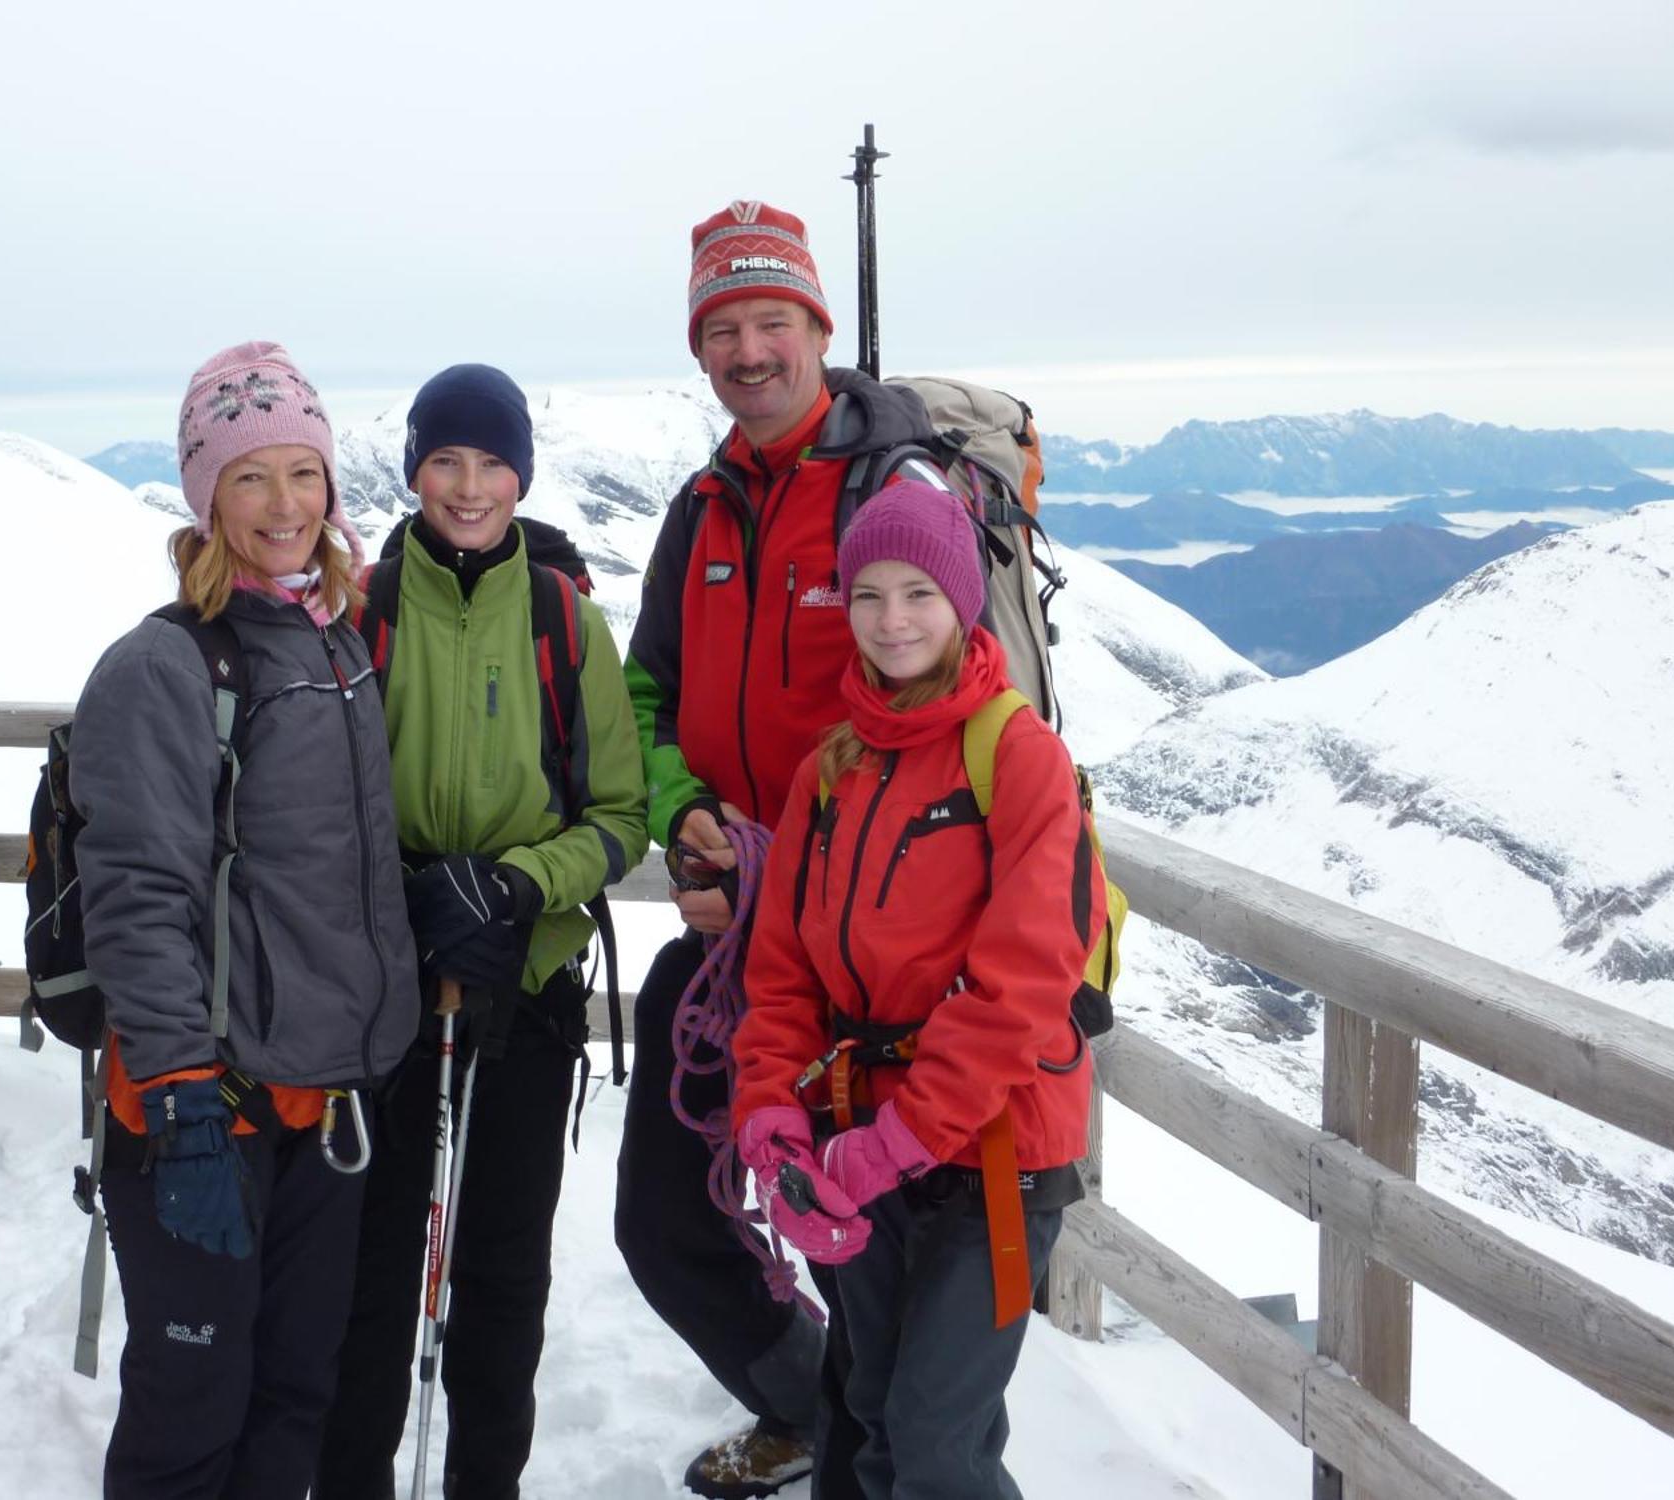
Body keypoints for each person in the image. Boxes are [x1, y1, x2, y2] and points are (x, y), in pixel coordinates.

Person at [617, 200, 941, 1499]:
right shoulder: (704, 512)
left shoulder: (886, 495)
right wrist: (684, 811)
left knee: (855, 1243)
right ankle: (812, 1409)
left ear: (815, 327)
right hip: (726, 945)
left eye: (771, 322)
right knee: (666, 1222)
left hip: (856, 971)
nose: (748, 351)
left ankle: (875, 1458)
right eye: (723, 329)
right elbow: (642, 695)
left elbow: (936, 732)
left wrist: (777, 869)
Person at [69, 339, 420, 1500]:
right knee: (190, 1417)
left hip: (318, 1105)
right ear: (206, 495)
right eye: (250, 476)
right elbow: (137, 892)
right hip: (204, 1108)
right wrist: (176, 1105)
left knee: (292, 1399)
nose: (284, 504)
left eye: (303, 473)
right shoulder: (165, 667)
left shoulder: (334, 647)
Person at [731, 479, 1105, 1500]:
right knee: (873, 1418)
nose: (891, 621)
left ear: (961, 603)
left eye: (917, 594)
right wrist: (770, 1107)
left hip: (991, 1148)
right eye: (866, 597)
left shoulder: (1016, 758)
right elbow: (781, 972)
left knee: (935, 1441)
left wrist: (893, 1146)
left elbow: (1020, 987)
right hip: (862, 1141)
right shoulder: (830, 769)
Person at [316, 364, 647, 1500]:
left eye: (489, 463)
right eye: (444, 461)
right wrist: (404, 899)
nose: (466, 486)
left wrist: (513, 888)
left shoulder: (565, 623)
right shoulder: (358, 610)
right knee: (371, 1272)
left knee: (501, 1280)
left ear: (520, 475)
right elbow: (308, 804)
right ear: (412, 470)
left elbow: (619, 818)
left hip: (525, 986)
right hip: (382, 989)